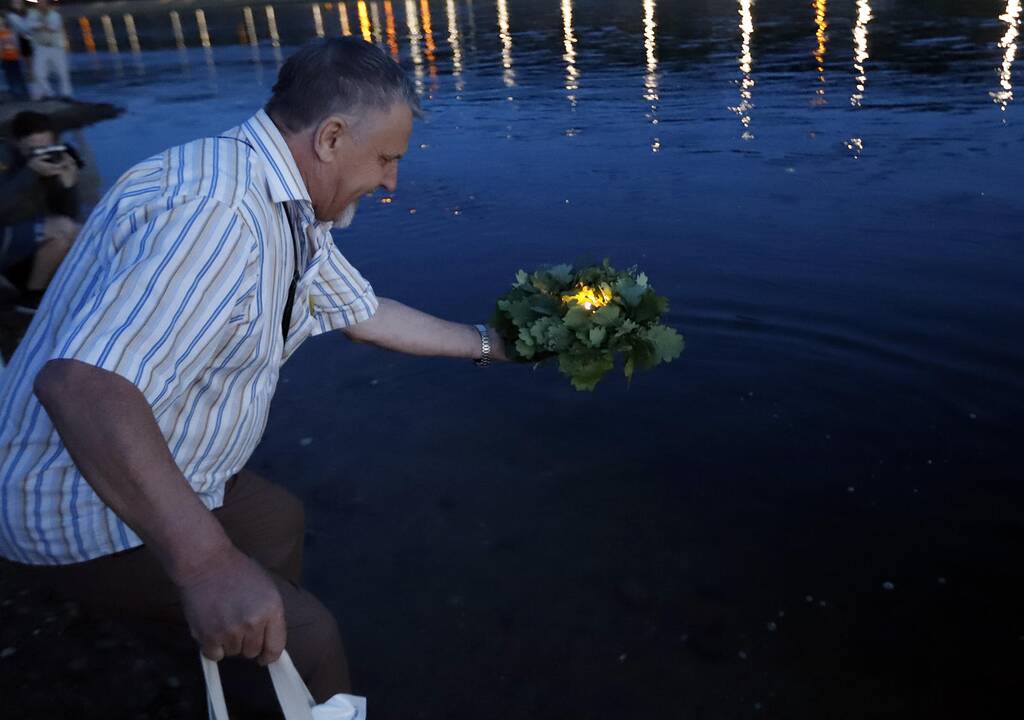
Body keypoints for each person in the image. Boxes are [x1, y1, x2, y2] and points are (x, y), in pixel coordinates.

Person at [0, 37, 507, 714]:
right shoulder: (216, 212)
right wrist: (207, 566)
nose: (391, 183)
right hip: (69, 500)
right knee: (312, 638)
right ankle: (263, 648)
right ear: (330, 137)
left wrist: (490, 344)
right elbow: (79, 386)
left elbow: (362, 312)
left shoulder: (279, 199)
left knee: (274, 520)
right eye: (386, 159)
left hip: (173, 460)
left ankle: (245, 666)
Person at [0, 110, 82, 313]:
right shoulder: (4, 157)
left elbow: (67, 215)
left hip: (26, 247)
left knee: (76, 234)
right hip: (5, 240)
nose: (40, 153)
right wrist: (30, 172)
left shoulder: (56, 156)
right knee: (63, 228)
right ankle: (30, 297)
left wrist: (68, 186)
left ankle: (33, 295)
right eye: (33, 149)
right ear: (17, 143)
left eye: (45, 147)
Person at [25, 0, 70, 99]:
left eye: (43, 2)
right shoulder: (32, 15)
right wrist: (42, 26)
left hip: (56, 47)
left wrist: (39, 26)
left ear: (47, 4)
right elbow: (29, 26)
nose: (41, 4)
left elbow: (53, 28)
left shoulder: (55, 15)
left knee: (62, 73)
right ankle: (49, 93)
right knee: (39, 73)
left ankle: (66, 94)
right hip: (40, 47)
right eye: (39, 2)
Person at [0, 14, 28, 99]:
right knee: (11, 77)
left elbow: (16, 43)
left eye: (1, 20)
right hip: (5, 58)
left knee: (19, 75)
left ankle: (22, 94)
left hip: (15, 57)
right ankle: (16, 94)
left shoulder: (11, 30)